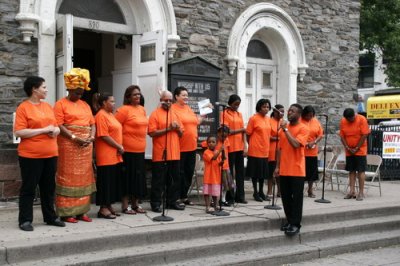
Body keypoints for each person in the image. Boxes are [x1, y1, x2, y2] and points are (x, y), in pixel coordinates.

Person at [14, 76, 65, 231]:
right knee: (29, 188)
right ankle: (25, 220)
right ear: (34, 89)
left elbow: (56, 127)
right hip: (31, 156)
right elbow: (19, 131)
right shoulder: (23, 108)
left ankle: (50, 217)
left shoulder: (48, 107)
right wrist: (43, 130)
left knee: (49, 188)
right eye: (43, 87)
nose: (46, 90)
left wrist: (54, 131)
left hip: (50, 154)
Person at [53, 68, 96, 223]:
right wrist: (74, 137)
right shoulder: (60, 104)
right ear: (69, 89)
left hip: (85, 146)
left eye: (81, 93)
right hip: (68, 145)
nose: (79, 95)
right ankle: (66, 212)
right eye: (76, 92)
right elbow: (59, 124)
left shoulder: (85, 105)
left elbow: (93, 123)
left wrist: (91, 137)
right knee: (68, 177)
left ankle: (82, 211)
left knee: (83, 177)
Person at [274, 103, 309, 236]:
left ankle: (296, 224)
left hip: (297, 170)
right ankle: (289, 221)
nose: (289, 113)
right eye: (289, 111)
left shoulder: (303, 128)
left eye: (293, 111)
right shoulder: (284, 129)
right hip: (284, 168)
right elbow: (280, 149)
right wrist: (277, 166)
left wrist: (286, 131)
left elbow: (295, 144)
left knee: (297, 199)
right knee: (286, 198)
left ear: (299, 114)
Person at [148, 90, 184, 212]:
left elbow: (181, 134)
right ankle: (156, 203)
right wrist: (168, 129)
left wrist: (177, 128)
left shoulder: (175, 114)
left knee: (174, 180)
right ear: (161, 100)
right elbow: (151, 133)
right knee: (158, 180)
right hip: (160, 153)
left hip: (174, 153)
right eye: (165, 100)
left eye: (170, 100)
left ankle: (172, 201)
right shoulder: (155, 114)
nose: (168, 102)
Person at [115, 85, 148, 214]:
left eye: (139, 94)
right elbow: (115, 128)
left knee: (138, 179)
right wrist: (118, 145)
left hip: (140, 150)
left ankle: (135, 204)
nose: (138, 96)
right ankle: (125, 205)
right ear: (128, 97)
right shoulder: (123, 110)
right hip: (127, 151)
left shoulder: (142, 110)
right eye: (134, 94)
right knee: (127, 178)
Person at [94, 93, 123, 219]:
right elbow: (103, 135)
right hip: (105, 155)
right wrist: (118, 146)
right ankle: (103, 208)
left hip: (114, 155)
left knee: (112, 182)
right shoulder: (101, 115)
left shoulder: (111, 115)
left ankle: (109, 205)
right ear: (104, 103)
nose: (114, 103)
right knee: (105, 181)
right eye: (111, 101)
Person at [171, 86, 203, 206]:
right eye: (183, 95)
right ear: (176, 96)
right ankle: (176, 197)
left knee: (188, 173)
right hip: (179, 147)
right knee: (179, 173)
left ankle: (184, 196)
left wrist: (204, 112)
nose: (186, 97)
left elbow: (197, 121)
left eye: (187, 95)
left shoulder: (188, 108)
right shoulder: (173, 109)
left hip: (192, 147)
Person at [221, 94, 247, 204]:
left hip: (239, 147)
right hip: (229, 147)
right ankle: (230, 197)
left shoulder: (239, 114)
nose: (237, 106)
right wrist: (241, 129)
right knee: (229, 173)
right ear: (230, 103)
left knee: (240, 172)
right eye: (235, 104)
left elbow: (244, 132)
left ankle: (240, 196)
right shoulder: (224, 114)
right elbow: (228, 131)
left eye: (238, 105)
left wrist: (245, 145)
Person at [339, 108, 370, 201]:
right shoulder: (343, 121)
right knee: (351, 171)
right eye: (347, 119)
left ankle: (361, 193)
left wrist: (356, 148)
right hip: (349, 150)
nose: (349, 121)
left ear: (354, 115)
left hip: (360, 150)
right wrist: (347, 148)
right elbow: (342, 136)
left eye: (351, 119)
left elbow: (364, 135)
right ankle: (351, 191)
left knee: (360, 171)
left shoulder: (362, 119)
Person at [246, 99, 272, 202]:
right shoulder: (253, 119)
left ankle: (261, 191)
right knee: (255, 173)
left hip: (265, 150)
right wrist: (251, 145)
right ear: (259, 107)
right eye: (264, 107)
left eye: (267, 107)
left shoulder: (268, 119)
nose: (266, 109)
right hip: (255, 150)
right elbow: (248, 134)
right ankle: (255, 192)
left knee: (262, 174)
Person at [300, 105, 323, 198]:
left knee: (312, 173)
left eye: (311, 115)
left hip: (312, 151)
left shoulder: (315, 121)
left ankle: (310, 190)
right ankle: (300, 190)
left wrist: (314, 142)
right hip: (302, 151)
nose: (310, 117)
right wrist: (305, 143)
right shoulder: (299, 121)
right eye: (308, 115)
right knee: (301, 173)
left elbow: (320, 134)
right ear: (304, 114)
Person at [202, 136, 224, 214]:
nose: (211, 143)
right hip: (208, 176)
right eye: (209, 142)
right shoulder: (206, 152)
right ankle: (208, 206)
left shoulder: (218, 152)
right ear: (207, 143)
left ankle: (215, 205)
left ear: (216, 143)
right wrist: (220, 151)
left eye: (213, 142)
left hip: (216, 175)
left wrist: (222, 162)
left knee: (215, 192)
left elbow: (218, 162)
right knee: (207, 192)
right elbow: (213, 158)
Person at [267, 104, 284, 198]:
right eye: (281, 111)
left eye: (284, 112)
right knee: (271, 172)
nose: (283, 113)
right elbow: (267, 136)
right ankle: (269, 191)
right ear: (275, 112)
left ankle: (279, 191)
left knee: (280, 172)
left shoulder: (283, 122)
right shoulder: (269, 121)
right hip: (271, 149)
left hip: (281, 150)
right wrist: (277, 138)